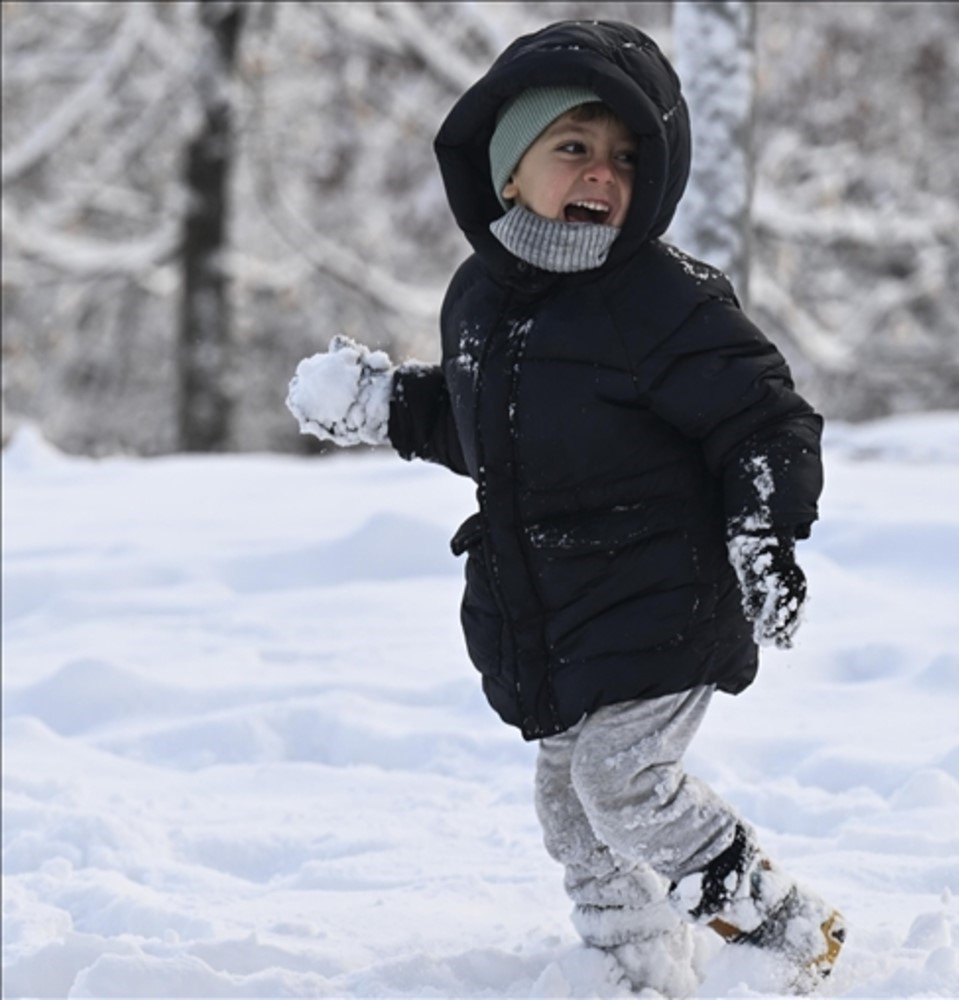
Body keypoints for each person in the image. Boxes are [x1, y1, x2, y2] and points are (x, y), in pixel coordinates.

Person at [284, 19, 842, 995]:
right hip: (560, 611)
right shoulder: (481, 299)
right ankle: (631, 970)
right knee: (571, 808)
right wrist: (386, 404)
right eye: (573, 148)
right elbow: (492, 429)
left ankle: (783, 928)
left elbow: (761, 418)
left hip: (664, 596)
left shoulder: (663, 301)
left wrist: (762, 530)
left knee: (622, 784)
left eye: (625, 157)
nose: (602, 173)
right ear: (508, 167)